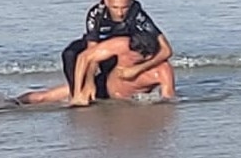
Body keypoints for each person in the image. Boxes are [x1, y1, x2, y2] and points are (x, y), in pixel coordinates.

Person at [61, 0, 173, 100]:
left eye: (124, 8)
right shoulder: (96, 14)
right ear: (106, 2)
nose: (120, 13)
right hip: (100, 46)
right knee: (70, 54)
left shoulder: (137, 14)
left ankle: (102, 90)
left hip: (119, 51)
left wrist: (138, 69)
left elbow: (166, 50)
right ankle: (77, 94)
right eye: (115, 8)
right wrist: (89, 82)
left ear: (130, 2)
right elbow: (91, 52)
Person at [17, 33, 175, 105]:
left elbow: (168, 100)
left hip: (120, 101)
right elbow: (85, 57)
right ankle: (11, 102)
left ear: (148, 57)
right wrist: (81, 89)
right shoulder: (123, 45)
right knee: (43, 98)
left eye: (134, 57)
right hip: (101, 87)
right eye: (129, 52)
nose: (128, 57)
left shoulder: (162, 71)